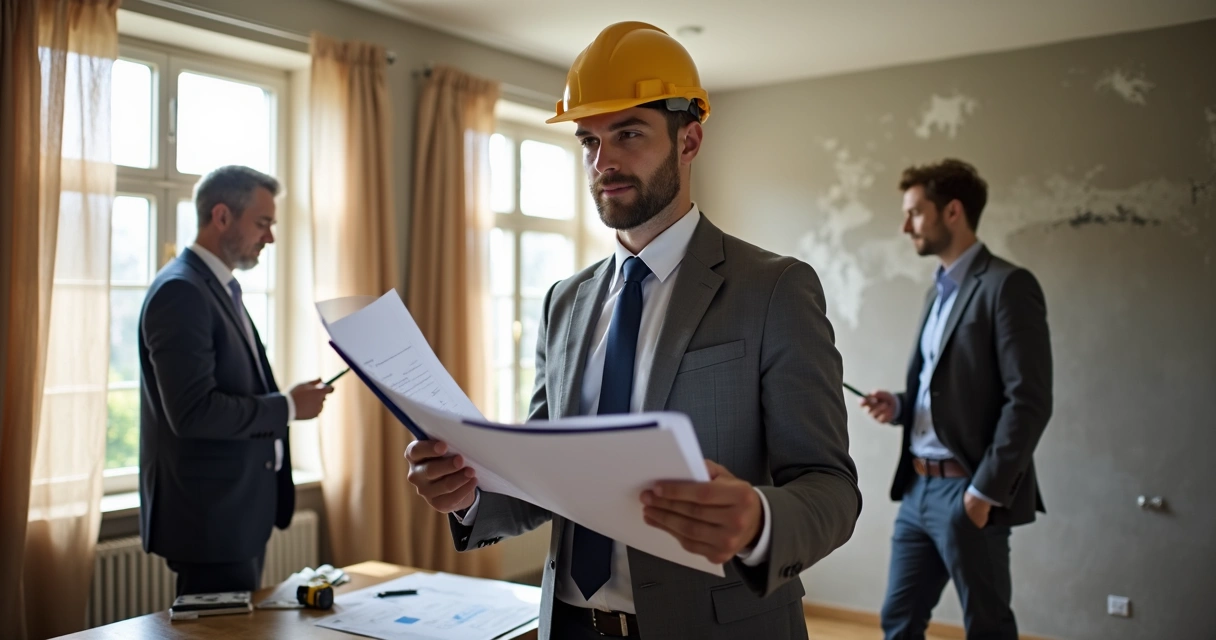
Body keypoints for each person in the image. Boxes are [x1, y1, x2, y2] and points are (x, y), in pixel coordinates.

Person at [405, 21, 859, 639]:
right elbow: (546, 479)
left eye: (629, 133)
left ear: (689, 140)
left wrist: (757, 519)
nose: (604, 161)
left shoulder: (774, 289)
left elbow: (831, 488)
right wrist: (469, 497)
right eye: (589, 141)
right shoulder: (564, 303)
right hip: (568, 625)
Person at [859, 159, 1052, 639]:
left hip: (967, 490)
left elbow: (1028, 401)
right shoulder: (937, 292)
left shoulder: (1008, 285)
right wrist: (901, 406)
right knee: (898, 620)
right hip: (917, 489)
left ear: (952, 212)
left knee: (987, 627)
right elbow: (947, 385)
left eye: (914, 212)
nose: (905, 227)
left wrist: (982, 495)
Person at [138, 165, 333, 596]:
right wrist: (288, 407)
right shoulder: (181, 291)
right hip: (209, 520)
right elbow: (193, 412)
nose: (270, 238)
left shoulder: (218, 286)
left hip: (235, 514)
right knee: (219, 629)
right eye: (262, 223)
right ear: (222, 216)